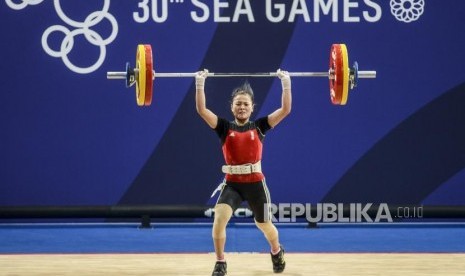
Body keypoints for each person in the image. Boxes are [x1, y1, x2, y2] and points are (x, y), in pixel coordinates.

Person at [195, 68, 292, 276]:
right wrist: (199, 83)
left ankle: (276, 251)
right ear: (231, 107)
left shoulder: (260, 127)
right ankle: (220, 262)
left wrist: (286, 83)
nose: (241, 107)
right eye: (238, 104)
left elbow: (285, 109)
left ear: (252, 108)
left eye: (245, 104)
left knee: (264, 224)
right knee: (219, 219)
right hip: (233, 185)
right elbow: (202, 110)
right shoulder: (223, 128)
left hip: (256, 185)